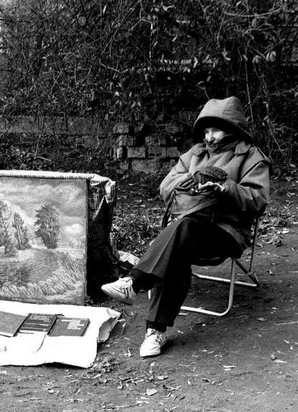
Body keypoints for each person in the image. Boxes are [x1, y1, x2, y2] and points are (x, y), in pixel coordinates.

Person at [101, 97, 270, 358]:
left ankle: (135, 282)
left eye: (216, 130)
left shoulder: (251, 157)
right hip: (187, 229)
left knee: (181, 231)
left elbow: (258, 200)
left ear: (232, 129)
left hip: (226, 232)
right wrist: (193, 180)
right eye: (206, 131)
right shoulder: (195, 153)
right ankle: (154, 331)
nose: (209, 137)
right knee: (178, 246)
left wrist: (224, 188)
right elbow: (166, 186)